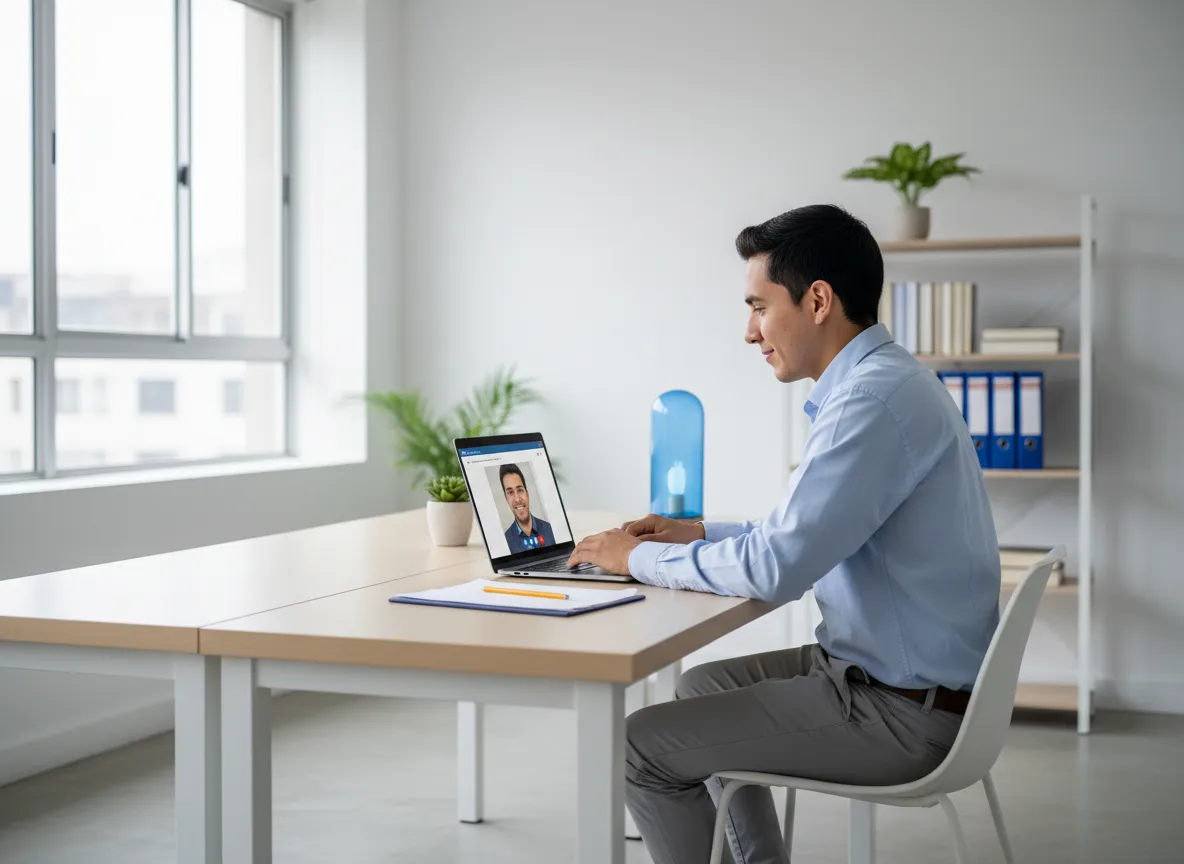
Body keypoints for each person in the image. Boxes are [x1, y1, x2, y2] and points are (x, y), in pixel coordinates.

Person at [567, 204, 1000, 864]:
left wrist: (638, 559)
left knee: (637, 747)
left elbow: (777, 568)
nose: (750, 332)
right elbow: (804, 533)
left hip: (900, 713)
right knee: (700, 686)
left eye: (759, 307)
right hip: (894, 681)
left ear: (818, 300)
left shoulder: (871, 402)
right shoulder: (885, 383)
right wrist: (698, 532)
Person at [499, 463, 556, 553]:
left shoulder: (551, 530)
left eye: (520, 490)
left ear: (527, 493)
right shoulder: (504, 542)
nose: (517, 499)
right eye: (510, 492)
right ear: (506, 498)